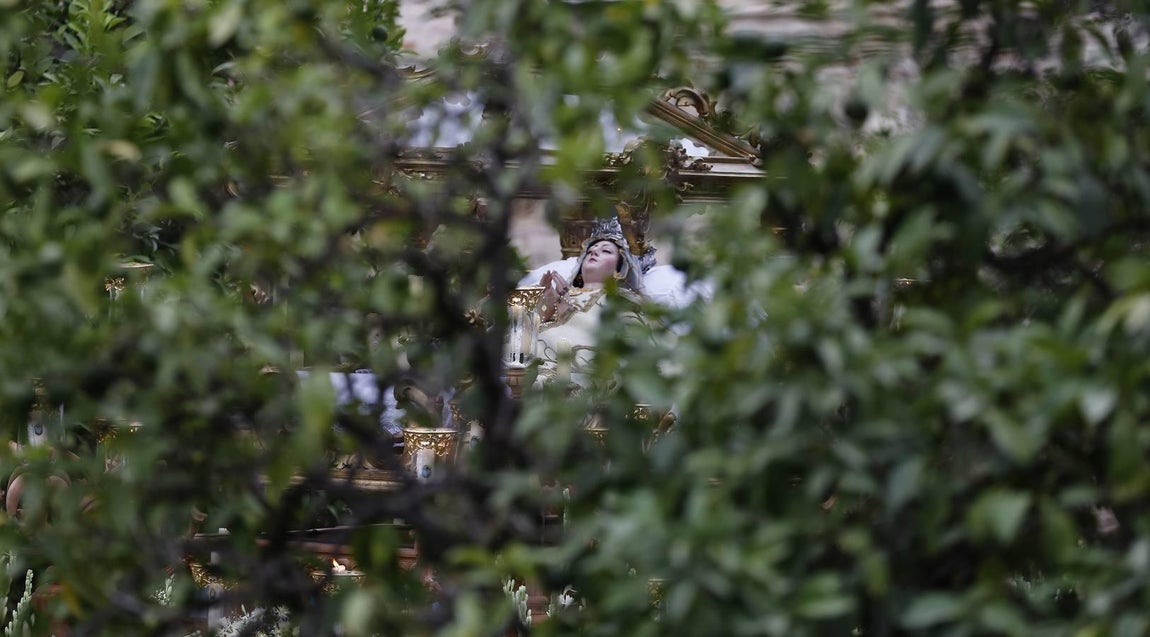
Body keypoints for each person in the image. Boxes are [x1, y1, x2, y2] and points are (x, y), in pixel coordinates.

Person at [531, 219, 645, 387]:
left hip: (577, 369)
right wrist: (547, 301)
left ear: (619, 269)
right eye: (591, 250)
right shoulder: (561, 292)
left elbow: (627, 336)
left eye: (606, 251)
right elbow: (528, 333)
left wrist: (568, 302)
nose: (594, 253)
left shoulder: (619, 300)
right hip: (538, 360)